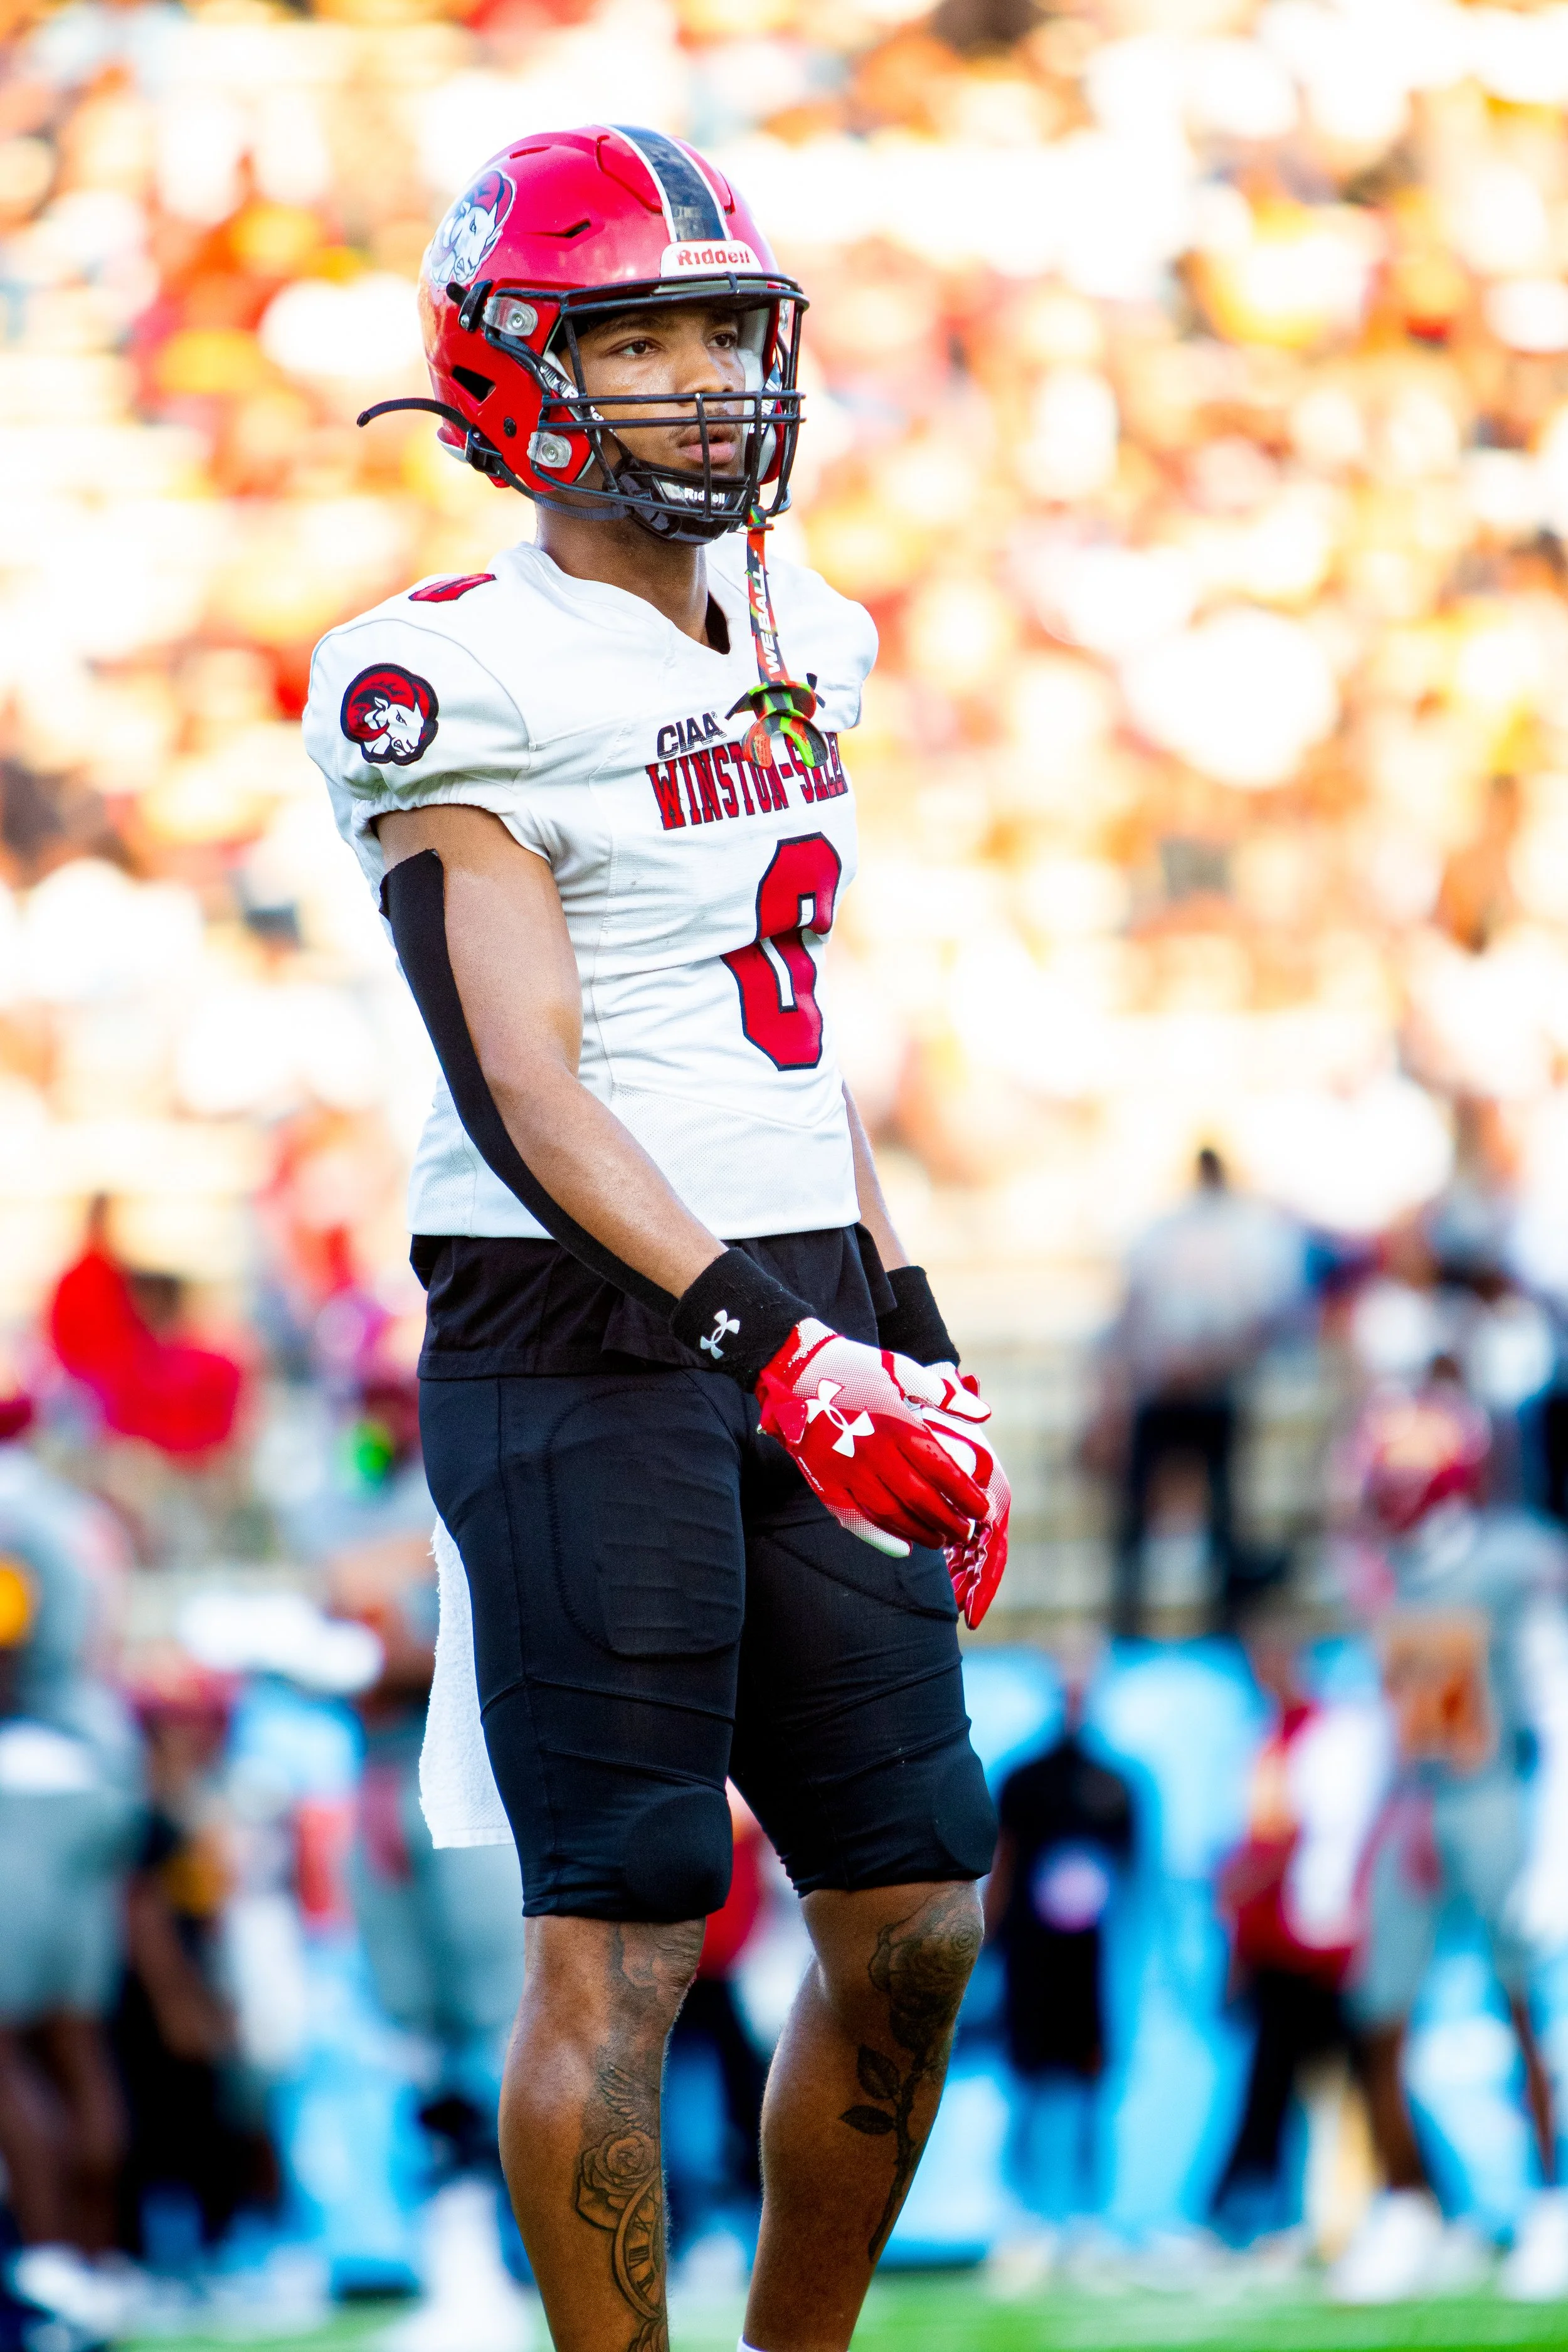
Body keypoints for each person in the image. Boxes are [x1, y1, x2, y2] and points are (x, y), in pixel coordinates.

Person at [304, 125, 1010, 2352]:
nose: (707, 377)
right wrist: (774, 1346)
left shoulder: (821, 633)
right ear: (515, 372)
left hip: (793, 1279)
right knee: (623, 1928)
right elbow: (530, 1081)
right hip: (580, 1317)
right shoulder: (440, 669)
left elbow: (785, 1047)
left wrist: (899, 1319)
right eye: (643, 335)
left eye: (725, 326)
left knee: (914, 1907)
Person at [1332, 1377, 1568, 2304]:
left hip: (1496, 1791)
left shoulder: (1516, 1560)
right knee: (1378, 2010)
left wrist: (1553, 1843)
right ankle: (1410, 2207)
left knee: (1527, 2006)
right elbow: (1375, 1708)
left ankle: (1553, 2202)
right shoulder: (1383, 1571)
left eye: (1403, 1466)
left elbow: (1552, 1700)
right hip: (1414, 1795)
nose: (1387, 1485)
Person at [1209, 1604, 1390, 2243]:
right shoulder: (1269, 1741)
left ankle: (1404, 2198)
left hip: (1319, 1941)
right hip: (1280, 1943)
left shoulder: (1322, 1737)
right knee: (1282, 2084)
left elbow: (1299, 1839)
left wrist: (1238, 1886)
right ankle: (1256, 2210)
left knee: (1345, 2080)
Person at [1099, 1147, 1303, 1636]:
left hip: (1205, 1384)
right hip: (1174, 1384)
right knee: (1148, 1511)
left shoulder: (1224, 1235)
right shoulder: (1213, 1235)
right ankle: (1135, 1621)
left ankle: (1217, 1621)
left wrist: (1207, 1362)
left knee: (1220, 1513)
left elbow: (1265, 1319)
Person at [982, 1642, 1133, 2236]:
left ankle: (1088, 2208)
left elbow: (1128, 1874)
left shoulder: (1114, 1786)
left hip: (1089, 1958)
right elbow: (1005, 1862)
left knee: (1089, 2073)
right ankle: (1022, 2207)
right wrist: (988, 1941)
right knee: (1027, 2070)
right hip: (1030, 1954)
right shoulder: (1024, 1779)